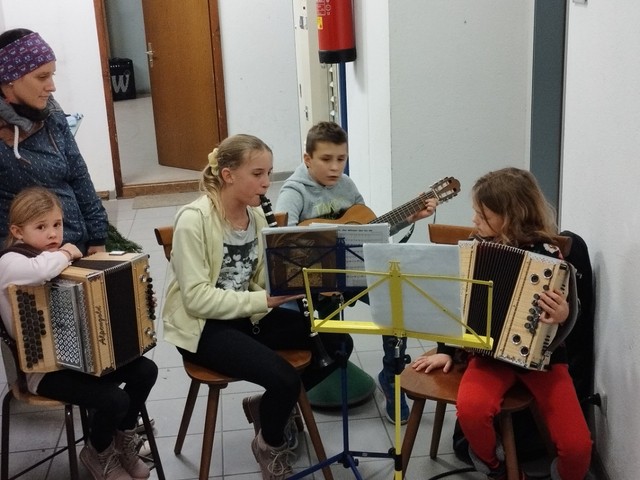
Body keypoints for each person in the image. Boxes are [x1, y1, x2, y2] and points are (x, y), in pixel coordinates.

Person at [162, 133, 352, 479]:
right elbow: (197, 298)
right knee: (283, 378)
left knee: (339, 342)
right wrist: (265, 299)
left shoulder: (257, 217)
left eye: (269, 173)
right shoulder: (194, 219)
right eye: (258, 174)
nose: (267, 184)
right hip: (204, 327)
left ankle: (266, 409)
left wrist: (304, 282)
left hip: (246, 313)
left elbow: (264, 278)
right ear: (228, 174)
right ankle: (270, 443)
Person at [412, 167, 592, 480]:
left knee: (578, 446)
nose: (474, 221)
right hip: (488, 356)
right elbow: (456, 305)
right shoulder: (473, 249)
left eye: (482, 216)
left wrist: (562, 316)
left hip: (543, 361)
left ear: (510, 217)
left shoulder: (550, 254)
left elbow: (572, 313)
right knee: (471, 410)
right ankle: (496, 467)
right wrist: (444, 349)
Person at [275, 121, 437, 424]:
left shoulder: (347, 186)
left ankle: (391, 377)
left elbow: (370, 230)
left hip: (350, 272)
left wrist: (409, 217)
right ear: (307, 158)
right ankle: (290, 395)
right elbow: (282, 241)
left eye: (341, 158)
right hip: (312, 284)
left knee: (394, 305)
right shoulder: (293, 192)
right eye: (326, 159)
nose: (335, 167)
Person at [0, 186, 158, 480]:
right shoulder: (11, 262)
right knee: (114, 400)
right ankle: (98, 452)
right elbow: (39, 272)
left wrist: (136, 302)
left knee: (145, 371)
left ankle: (122, 441)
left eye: (57, 225)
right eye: (41, 227)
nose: (52, 234)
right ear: (17, 232)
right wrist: (67, 250)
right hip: (41, 374)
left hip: (78, 362)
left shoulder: (54, 260)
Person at [0, 28, 108, 254]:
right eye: (41, 77)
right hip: (29, 263)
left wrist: (97, 236)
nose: (51, 86)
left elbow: (78, 174)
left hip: (76, 247)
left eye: (52, 75)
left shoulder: (51, 113)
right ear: (8, 79)